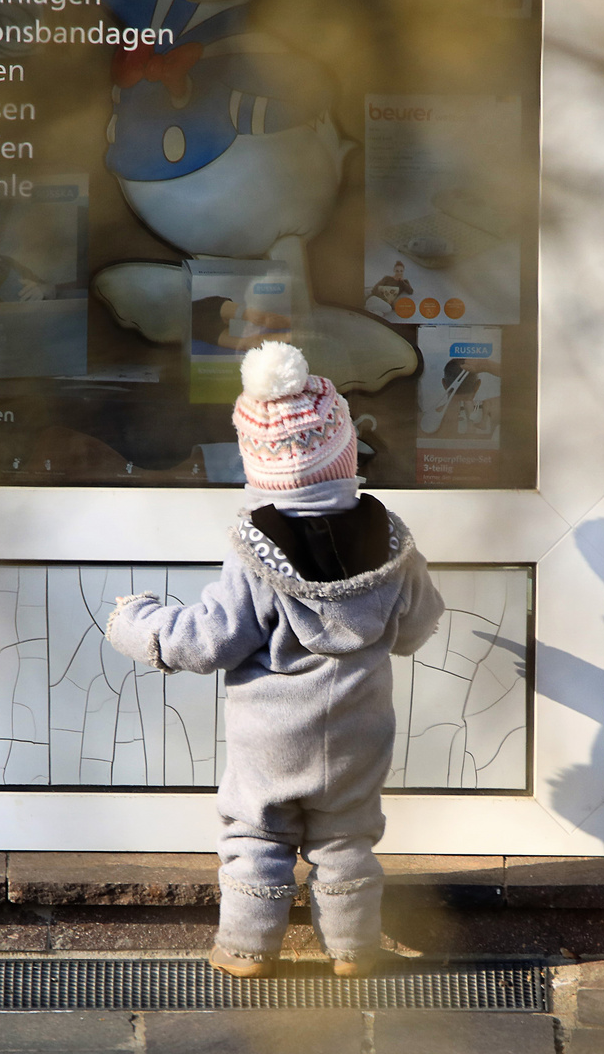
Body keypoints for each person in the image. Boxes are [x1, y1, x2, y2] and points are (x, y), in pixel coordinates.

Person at [104, 341, 444, 978]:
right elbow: (416, 626)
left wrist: (136, 623)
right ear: (347, 454)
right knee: (347, 842)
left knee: (255, 839)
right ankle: (354, 951)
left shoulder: (255, 556)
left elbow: (206, 640)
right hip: (358, 736)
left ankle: (246, 949)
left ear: (258, 472)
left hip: (270, 741)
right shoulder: (396, 546)